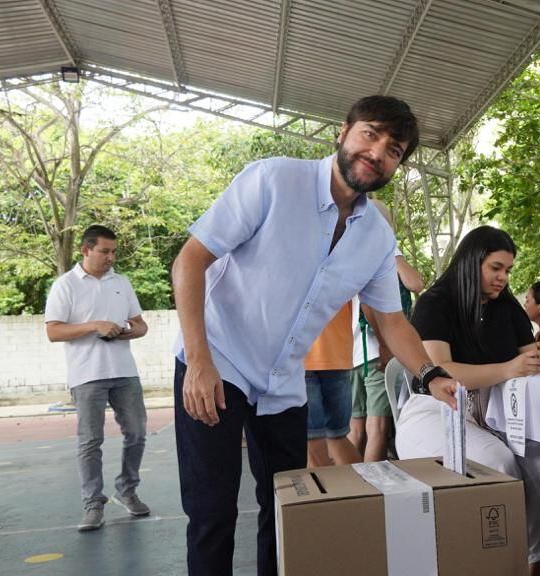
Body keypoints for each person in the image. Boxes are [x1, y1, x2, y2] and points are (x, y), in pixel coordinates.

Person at [171, 95, 456, 576]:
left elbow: (391, 320)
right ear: (342, 133)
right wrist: (198, 361)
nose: (378, 153)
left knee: (286, 510)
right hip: (217, 361)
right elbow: (190, 261)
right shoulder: (273, 180)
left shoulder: (377, 238)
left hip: (285, 383)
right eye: (371, 135)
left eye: (394, 150)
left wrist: (431, 375)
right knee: (212, 513)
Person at [395, 226, 540, 576]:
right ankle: (490, 563)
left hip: (499, 412)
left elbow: (529, 358)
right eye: (496, 268)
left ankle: (529, 566)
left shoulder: (506, 307)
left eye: (507, 270)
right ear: (471, 261)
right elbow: (441, 372)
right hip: (437, 411)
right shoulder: (437, 302)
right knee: (497, 462)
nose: (503, 278)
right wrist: (509, 368)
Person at [45, 224, 150, 531]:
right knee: (90, 441)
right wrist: (94, 326)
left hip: (125, 372)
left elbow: (141, 325)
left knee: (138, 433)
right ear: (86, 250)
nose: (110, 257)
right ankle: (93, 505)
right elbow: (53, 331)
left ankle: (126, 490)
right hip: (86, 374)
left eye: (113, 252)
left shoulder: (122, 282)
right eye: (104, 251)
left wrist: (129, 333)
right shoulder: (65, 285)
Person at [348, 199, 424, 462]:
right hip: (375, 354)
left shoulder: (347, 253)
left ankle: (346, 492)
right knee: (377, 427)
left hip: (349, 355)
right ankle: (371, 492)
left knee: (354, 430)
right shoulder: (383, 253)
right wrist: (395, 251)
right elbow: (415, 283)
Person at [304, 302, 361, 467]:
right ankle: (364, 490)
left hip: (301, 355)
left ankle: (331, 493)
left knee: (312, 441)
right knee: (338, 437)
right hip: (338, 352)